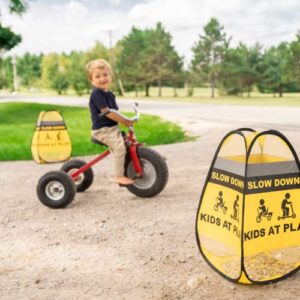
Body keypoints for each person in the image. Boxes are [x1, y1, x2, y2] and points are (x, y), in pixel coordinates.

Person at [86, 59, 134, 186]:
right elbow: (107, 112)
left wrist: (128, 118)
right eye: (97, 76)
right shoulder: (97, 93)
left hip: (112, 129)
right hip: (102, 131)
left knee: (129, 143)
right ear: (91, 80)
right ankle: (119, 176)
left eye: (105, 75)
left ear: (110, 76)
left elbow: (115, 112)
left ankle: (149, 159)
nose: (102, 78)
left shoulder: (110, 94)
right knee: (119, 147)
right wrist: (124, 121)